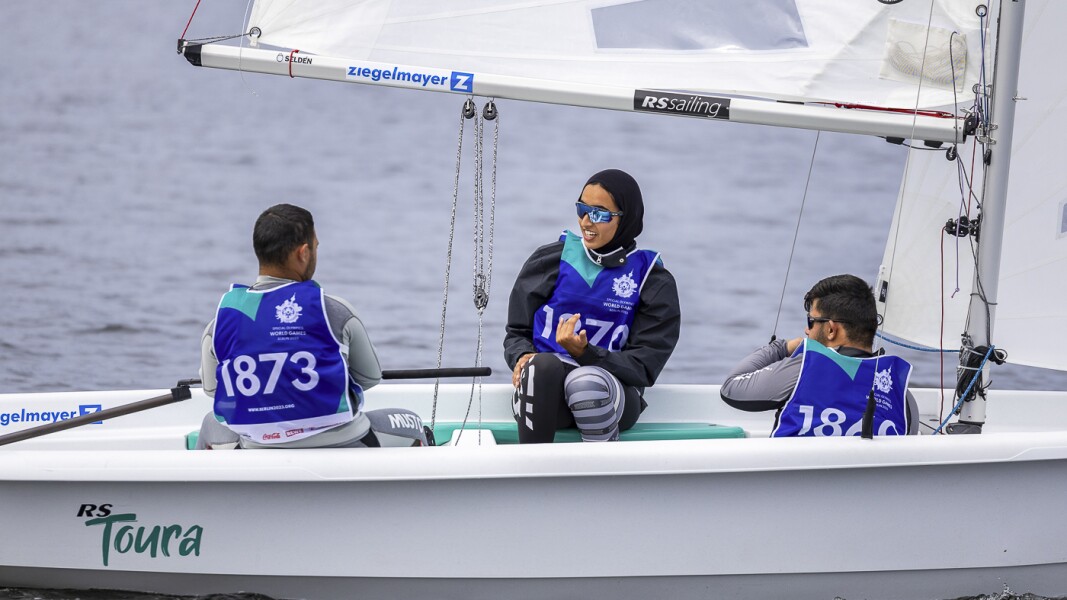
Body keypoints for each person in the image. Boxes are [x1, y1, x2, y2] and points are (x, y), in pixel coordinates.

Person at [195, 203, 427, 449]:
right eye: (316, 247)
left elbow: (212, 390)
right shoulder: (337, 312)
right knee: (413, 420)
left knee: (210, 423)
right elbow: (369, 377)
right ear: (303, 253)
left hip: (257, 446)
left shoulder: (220, 323)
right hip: (345, 441)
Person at [504, 169, 681, 443]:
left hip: (614, 391)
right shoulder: (548, 260)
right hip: (546, 389)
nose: (586, 221)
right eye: (582, 209)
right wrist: (522, 356)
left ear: (627, 218)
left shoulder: (653, 280)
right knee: (541, 366)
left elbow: (644, 367)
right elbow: (517, 332)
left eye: (599, 213)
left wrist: (586, 353)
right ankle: (532, 472)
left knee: (585, 381)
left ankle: (601, 478)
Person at [720, 274, 918, 437]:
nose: (807, 331)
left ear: (831, 329)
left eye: (811, 322)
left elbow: (731, 387)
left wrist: (782, 347)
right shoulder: (900, 391)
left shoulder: (803, 368)